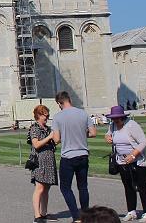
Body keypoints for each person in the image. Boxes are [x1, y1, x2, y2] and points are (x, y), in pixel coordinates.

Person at [51, 90, 97, 222]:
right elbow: (93, 133)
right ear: (69, 99)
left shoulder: (58, 117)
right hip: (82, 154)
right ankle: (85, 214)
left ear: (60, 103)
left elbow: (56, 139)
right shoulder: (82, 113)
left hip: (68, 156)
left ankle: (76, 216)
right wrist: (82, 134)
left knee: (65, 187)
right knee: (83, 186)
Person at [103, 105, 146, 222]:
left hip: (137, 161)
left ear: (122, 117)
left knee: (142, 186)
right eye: (113, 118)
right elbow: (108, 133)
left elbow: (143, 142)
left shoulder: (132, 125)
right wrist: (107, 137)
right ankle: (131, 211)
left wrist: (133, 155)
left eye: (117, 118)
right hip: (122, 161)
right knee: (128, 186)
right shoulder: (113, 126)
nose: (115, 120)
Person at [29, 104, 58, 223]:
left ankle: (43, 213)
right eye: (44, 115)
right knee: (39, 188)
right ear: (38, 115)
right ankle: (37, 215)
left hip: (49, 161)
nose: (47, 117)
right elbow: (36, 144)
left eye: (47, 115)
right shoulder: (34, 128)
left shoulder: (47, 128)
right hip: (39, 161)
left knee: (46, 187)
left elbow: (55, 141)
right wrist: (49, 137)